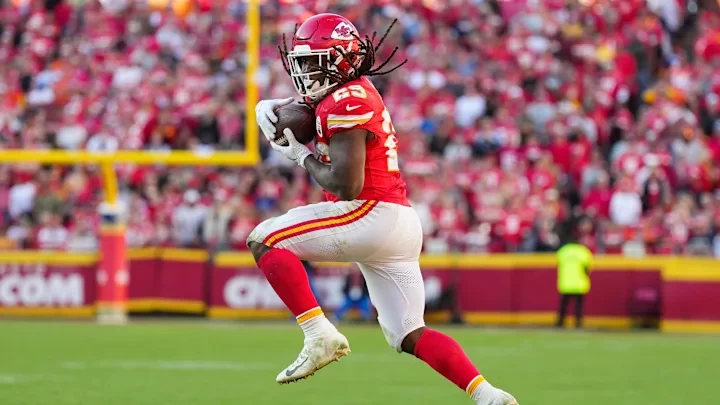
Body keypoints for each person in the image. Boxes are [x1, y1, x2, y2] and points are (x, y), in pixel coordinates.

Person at [249, 13, 518, 405]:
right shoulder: (348, 90)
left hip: (369, 211)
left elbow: (346, 185)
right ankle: (488, 395)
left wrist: (300, 156)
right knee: (410, 333)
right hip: (397, 221)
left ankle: (318, 334)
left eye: (312, 62)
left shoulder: (347, 100)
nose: (304, 72)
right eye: (302, 62)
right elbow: (309, 108)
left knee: (265, 239)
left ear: (339, 59)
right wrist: (273, 107)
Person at [555, 235, 593, 328]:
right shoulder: (583, 251)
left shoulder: (563, 251)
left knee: (563, 305)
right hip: (579, 283)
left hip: (566, 283)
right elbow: (587, 268)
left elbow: (558, 264)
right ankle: (578, 323)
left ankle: (560, 323)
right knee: (578, 305)